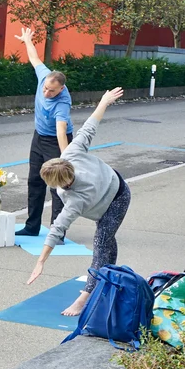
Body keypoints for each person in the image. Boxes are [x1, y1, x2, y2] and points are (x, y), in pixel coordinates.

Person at [26, 88, 128, 316]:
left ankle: (84, 298)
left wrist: (41, 261)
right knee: (107, 244)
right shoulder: (71, 153)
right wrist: (103, 101)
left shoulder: (74, 199)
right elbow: (91, 125)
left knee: (101, 241)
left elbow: (57, 228)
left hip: (118, 196)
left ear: (58, 184)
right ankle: (107, 280)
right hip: (107, 185)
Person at [14, 27, 74, 240]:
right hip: (39, 136)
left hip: (57, 142)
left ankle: (57, 232)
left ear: (60, 89)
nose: (46, 93)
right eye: (46, 89)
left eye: (51, 91)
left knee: (57, 186)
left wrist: (65, 158)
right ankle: (32, 226)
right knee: (34, 180)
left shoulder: (62, 104)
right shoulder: (44, 77)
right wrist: (27, 40)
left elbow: (61, 132)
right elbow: (34, 58)